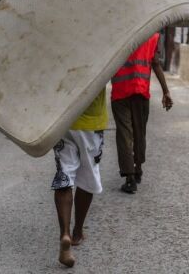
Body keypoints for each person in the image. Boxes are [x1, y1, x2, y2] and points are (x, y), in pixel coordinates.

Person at [111, 33, 173, 194]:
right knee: (139, 133)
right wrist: (166, 91)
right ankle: (137, 168)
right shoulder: (153, 35)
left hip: (120, 92)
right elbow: (156, 64)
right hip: (141, 91)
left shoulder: (118, 32)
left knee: (124, 134)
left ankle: (130, 178)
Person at [52, 89, 108, 268]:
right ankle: (76, 233)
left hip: (63, 117)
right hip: (92, 121)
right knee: (87, 176)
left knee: (64, 174)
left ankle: (64, 234)